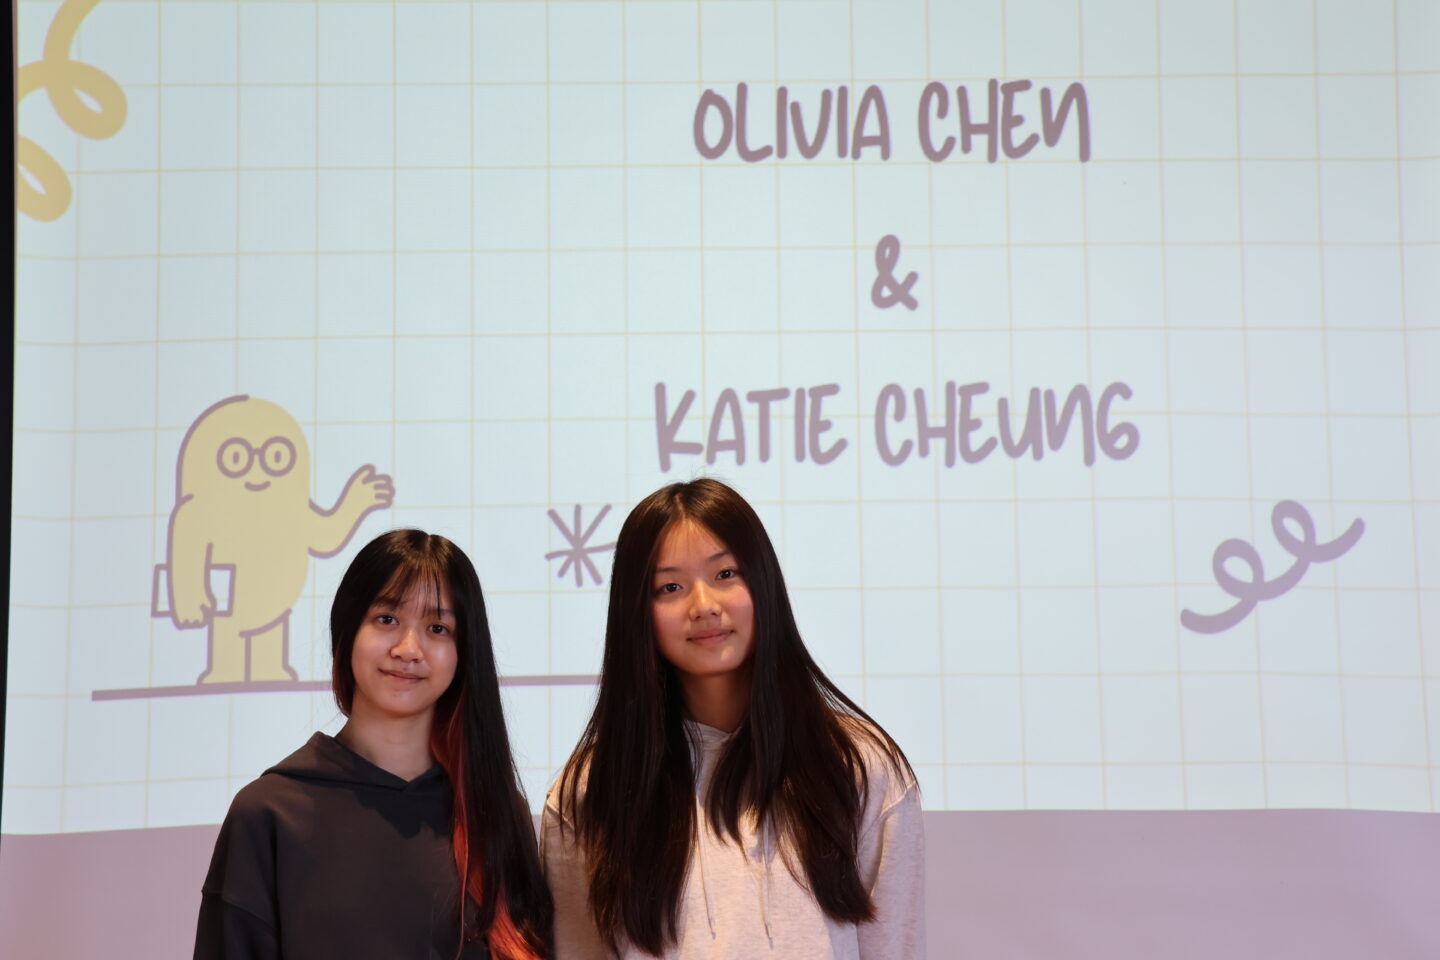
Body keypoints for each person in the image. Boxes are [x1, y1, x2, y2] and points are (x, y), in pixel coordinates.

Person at [543, 479, 924, 959]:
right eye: (670, 587)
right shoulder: (590, 790)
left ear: (763, 583)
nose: (704, 605)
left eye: (725, 574)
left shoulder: (858, 765)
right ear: (636, 612)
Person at [194, 529, 552, 959]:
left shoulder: (495, 812)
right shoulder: (268, 814)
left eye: (437, 628)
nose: (409, 648)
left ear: (463, 655)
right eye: (387, 619)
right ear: (347, 631)